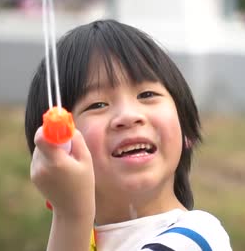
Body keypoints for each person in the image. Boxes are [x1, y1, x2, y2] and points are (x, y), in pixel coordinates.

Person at [25, 20, 232, 251]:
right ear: (58, 153)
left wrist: (71, 215)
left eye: (147, 94)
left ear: (185, 132)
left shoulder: (195, 238)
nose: (128, 115)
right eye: (97, 104)